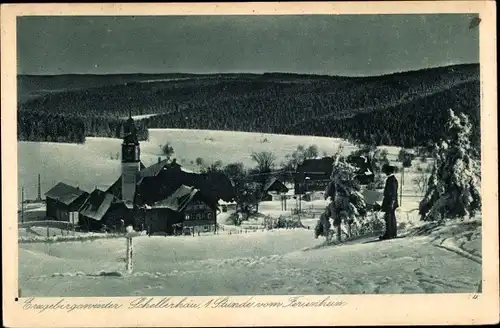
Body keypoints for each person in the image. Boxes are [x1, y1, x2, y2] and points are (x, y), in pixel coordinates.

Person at [380, 164, 399, 240]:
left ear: (389, 172)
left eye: (386, 172)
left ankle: (389, 234)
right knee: (391, 217)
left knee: (388, 218)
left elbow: (393, 192)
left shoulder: (391, 180)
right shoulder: (392, 179)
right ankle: (392, 233)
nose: (385, 173)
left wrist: (392, 202)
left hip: (390, 202)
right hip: (391, 201)